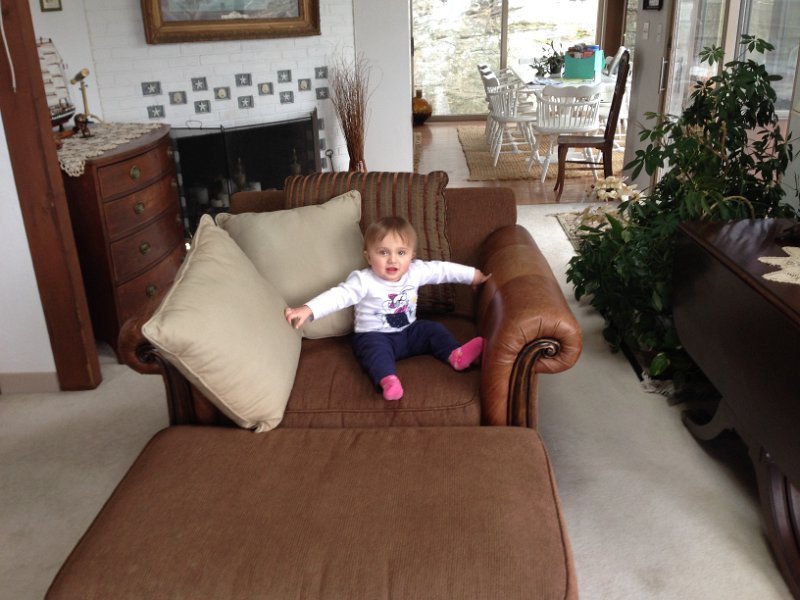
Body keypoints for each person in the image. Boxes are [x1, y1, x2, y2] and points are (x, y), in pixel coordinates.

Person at [284, 216, 491, 401]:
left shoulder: (416, 271)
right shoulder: (363, 281)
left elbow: (443, 270)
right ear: (368, 257)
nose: (393, 259)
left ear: (411, 256)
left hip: (409, 331)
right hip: (374, 335)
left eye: (401, 252)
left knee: (432, 330)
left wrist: (473, 276)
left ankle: (455, 356)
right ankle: (388, 380)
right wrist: (309, 309)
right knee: (375, 353)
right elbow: (339, 296)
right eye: (383, 252)